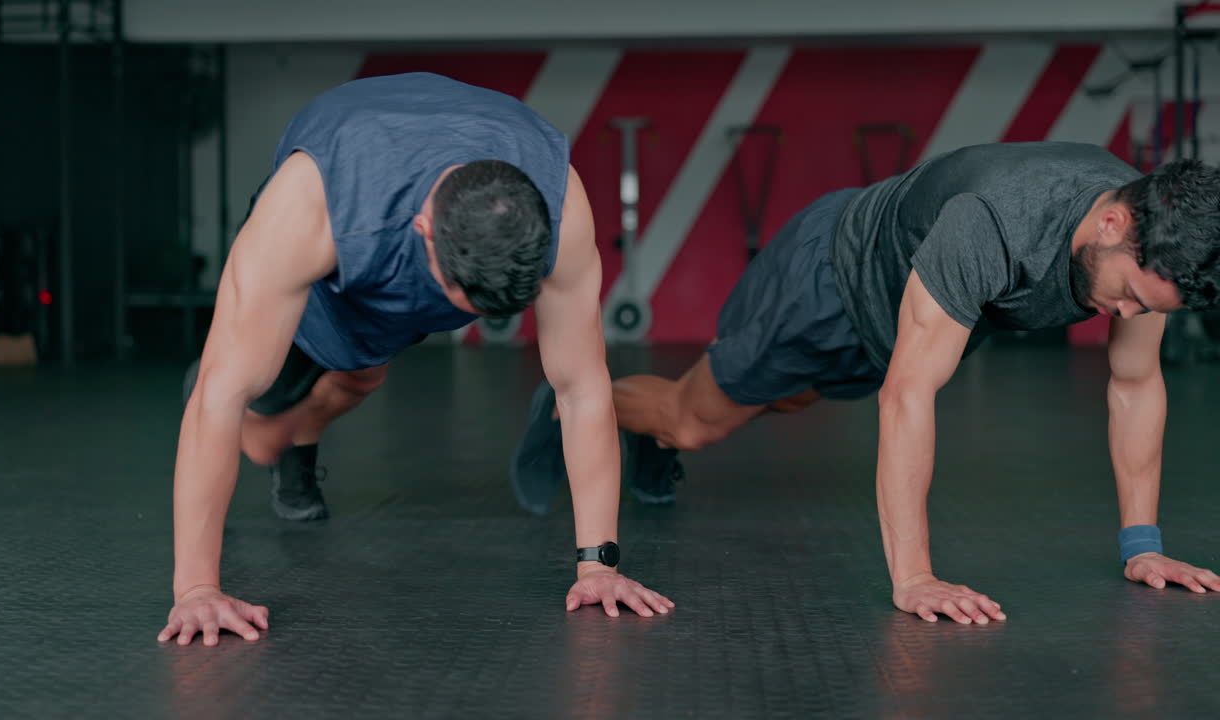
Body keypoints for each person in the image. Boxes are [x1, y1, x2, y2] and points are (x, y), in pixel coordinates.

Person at [512, 142, 1220, 624]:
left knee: (794, 397)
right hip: (826, 285)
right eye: (1128, 296)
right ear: (1110, 222)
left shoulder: (1151, 245)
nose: (1125, 316)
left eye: (1145, 309)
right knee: (694, 421)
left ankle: (644, 429)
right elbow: (909, 396)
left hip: (903, 317)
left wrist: (1142, 545)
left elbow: (1134, 383)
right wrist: (914, 578)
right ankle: (583, 410)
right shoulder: (995, 224)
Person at [158, 73, 673, 648]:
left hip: (398, 269)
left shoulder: (560, 206)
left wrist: (598, 565)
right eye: (468, 301)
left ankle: (298, 442)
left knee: (360, 378)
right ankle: (281, 437)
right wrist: (196, 589)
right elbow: (219, 393)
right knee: (253, 412)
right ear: (425, 232)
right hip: (339, 256)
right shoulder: (311, 209)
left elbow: (581, 389)